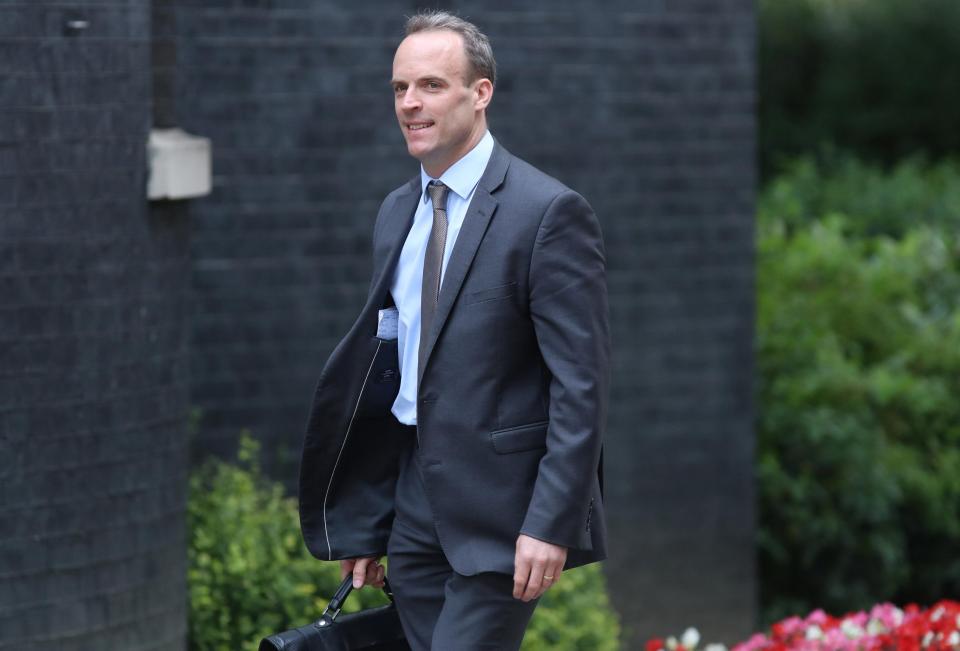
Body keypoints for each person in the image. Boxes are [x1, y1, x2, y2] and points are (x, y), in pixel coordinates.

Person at [297, 10, 609, 650]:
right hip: (413, 516)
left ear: (481, 93)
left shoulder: (548, 214)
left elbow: (580, 385)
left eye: (432, 86)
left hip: (504, 520)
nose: (410, 104)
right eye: (400, 88)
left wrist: (550, 522)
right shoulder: (395, 212)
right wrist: (369, 521)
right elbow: (390, 374)